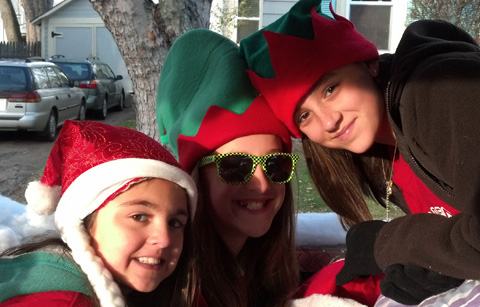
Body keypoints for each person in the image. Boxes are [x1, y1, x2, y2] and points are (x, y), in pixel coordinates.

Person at [238, 0, 480, 304]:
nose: (329, 121)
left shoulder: (439, 89)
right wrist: (440, 264)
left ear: (368, 63)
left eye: (330, 89)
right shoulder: (379, 151)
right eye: (304, 116)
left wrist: (388, 244)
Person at [156, 28, 371, 307]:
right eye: (236, 166)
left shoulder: (256, 267)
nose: (262, 182)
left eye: (275, 164)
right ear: (196, 178)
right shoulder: (176, 285)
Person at [0, 120, 197, 307]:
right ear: (83, 222)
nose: (164, 240)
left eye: (175, 223)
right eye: (139, 216)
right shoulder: (61, 300)